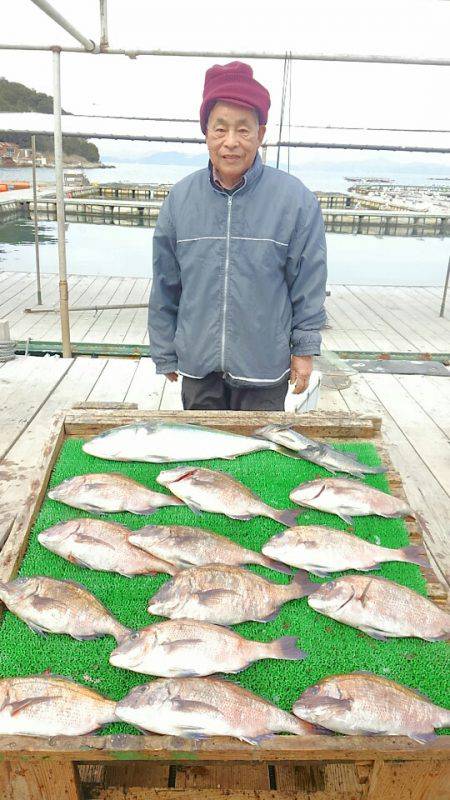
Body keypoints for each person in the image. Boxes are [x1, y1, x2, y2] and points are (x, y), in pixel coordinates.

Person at [149, 60, 327, 411]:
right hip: (198, 366)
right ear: (206, 131)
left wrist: (304, 350)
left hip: (265, 367)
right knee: (201, 445)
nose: (231, 142)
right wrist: (164, 349)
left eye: (243, 130)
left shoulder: (295, 200)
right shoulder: (180, 199)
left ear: (261, 133)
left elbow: (308, 284)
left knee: (260, 446)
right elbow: (166, 283)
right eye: (220, 128)